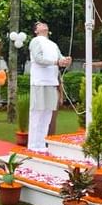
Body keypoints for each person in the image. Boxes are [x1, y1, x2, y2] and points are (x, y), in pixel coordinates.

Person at [27, 21, 71, 152]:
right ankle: (32, 144)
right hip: (39, 81)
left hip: (51, 82)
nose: (43, 25)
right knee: (37, 112)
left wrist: (65, 60)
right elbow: (38, 59)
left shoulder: (53, 44)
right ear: (36, 30)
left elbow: (60, 58)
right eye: (39, 24)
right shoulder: (35, 41)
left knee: (47, 114)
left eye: (44, 24)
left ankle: (41, 143)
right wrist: (56, 62)